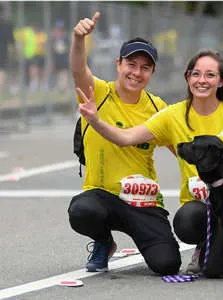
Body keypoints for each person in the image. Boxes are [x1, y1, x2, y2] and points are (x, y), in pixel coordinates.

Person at [77, 50, 223, 276]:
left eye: (210, 75)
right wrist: (95, 121)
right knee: (186, 222)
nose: (202, 80)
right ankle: (205, 243)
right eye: (196, 74)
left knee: (216, 272)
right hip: (198, 205)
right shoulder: (172, 115)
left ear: (221, 81)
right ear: (187, 77)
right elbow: (125, 138)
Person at [68, 11, 181, 276]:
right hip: (102, 195)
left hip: (143, 200)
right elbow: (77, 68)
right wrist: (78, 38)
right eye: (131, 64)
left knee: (167, 264)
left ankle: (148, 238)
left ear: (152, 72)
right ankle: (104, 241)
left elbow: (183, 152)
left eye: (145, 67)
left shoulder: (158, 108)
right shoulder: (98, 93)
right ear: (118, 64)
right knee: (82, 210)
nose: (136, 72)